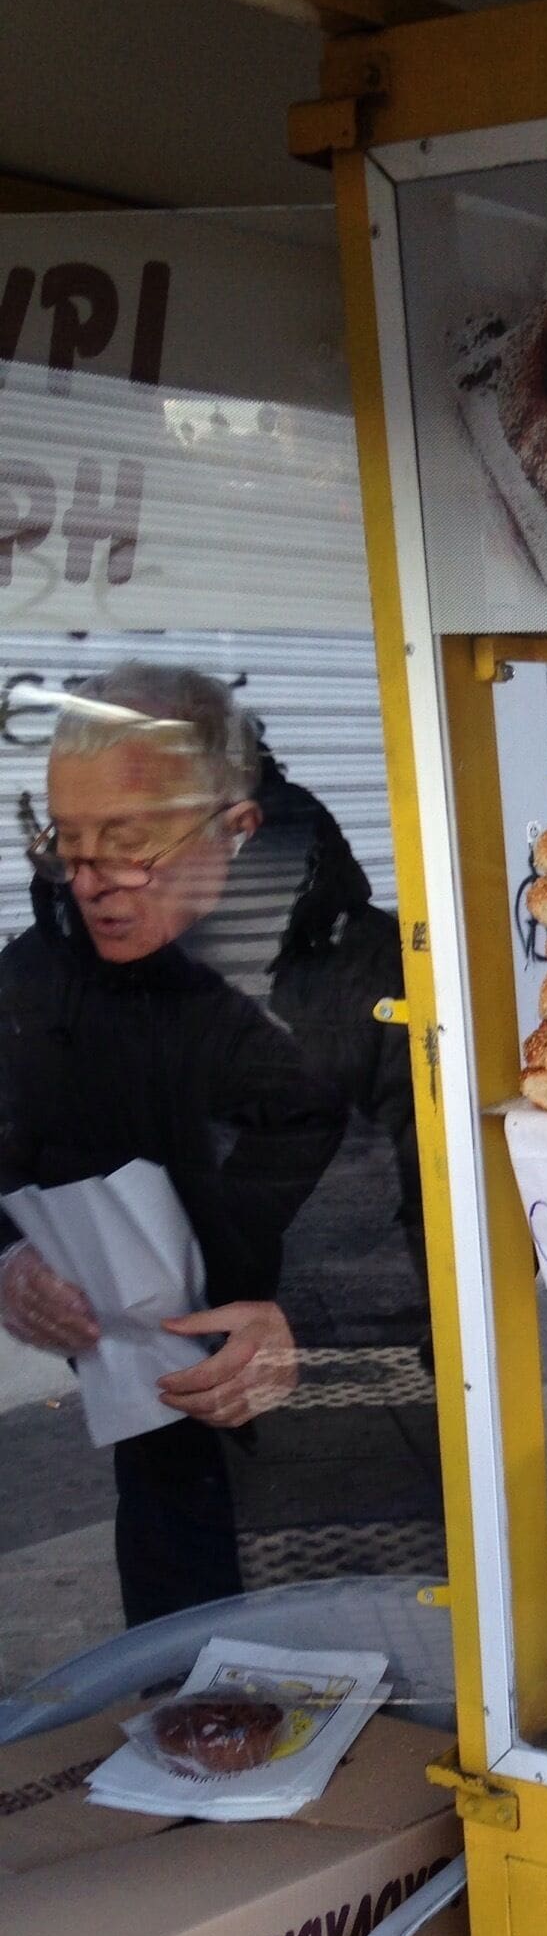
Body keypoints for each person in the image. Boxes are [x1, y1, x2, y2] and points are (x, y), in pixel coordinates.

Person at [0, 666, 349, 1622]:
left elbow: (438, 1199)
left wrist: (305, 1326)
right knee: (191, 1718)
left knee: (387, 1737)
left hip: (359, 1449)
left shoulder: (350, 973)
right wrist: (9, 1264)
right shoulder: (35, 981)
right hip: (166, 1461)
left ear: (236, 830)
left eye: (129, 845)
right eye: (69, 846)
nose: (92, 883)